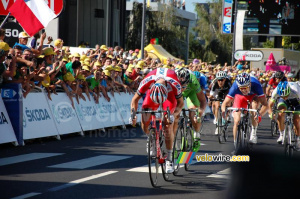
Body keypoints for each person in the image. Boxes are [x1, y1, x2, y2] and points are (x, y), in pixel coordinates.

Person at [130, 67, 184, 173]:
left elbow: (181, 103)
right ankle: (151, 137)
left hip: (169, 96)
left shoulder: (174, 83)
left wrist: (174, 114)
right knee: (144, 117)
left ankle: (169, 159)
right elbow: (134, 100)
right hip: (153, 94)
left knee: (168, 125)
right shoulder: (147, 80)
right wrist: (133, 114)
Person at [221, 73, 268, 151]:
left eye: (245, 87)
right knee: (236, 121)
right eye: (241, 88)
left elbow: (266, 105)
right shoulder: (235, 86)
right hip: (240, 97)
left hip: (254, 96)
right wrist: (223, 112)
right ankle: (236, 145)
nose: (243, 90)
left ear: (249, 84)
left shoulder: (256, 84)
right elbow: (225, 103)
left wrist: (259, 114)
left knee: (254, 107)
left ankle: (253, 131)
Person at [176, 68, 207, 145]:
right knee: (175, 113)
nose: (183, 88)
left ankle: (196, 133)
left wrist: (200, 111)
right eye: (181, 85)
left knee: (193, 114)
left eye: (184, 86)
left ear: (188, 81)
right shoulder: (173, 80)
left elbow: (203, 100)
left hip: (191, 92)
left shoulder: (194, 81)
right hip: (177, 93)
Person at [268, 81, 300, 148]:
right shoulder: (276, 91)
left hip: (296, 101)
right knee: (280, 114)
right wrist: (271, 114)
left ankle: (298, 139)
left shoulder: (296, 90)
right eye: (283, 96)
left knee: (296, 121)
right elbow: (269, 106)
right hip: (284, 102)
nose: (285, 97)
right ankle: (281, 134)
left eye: (286, 95)